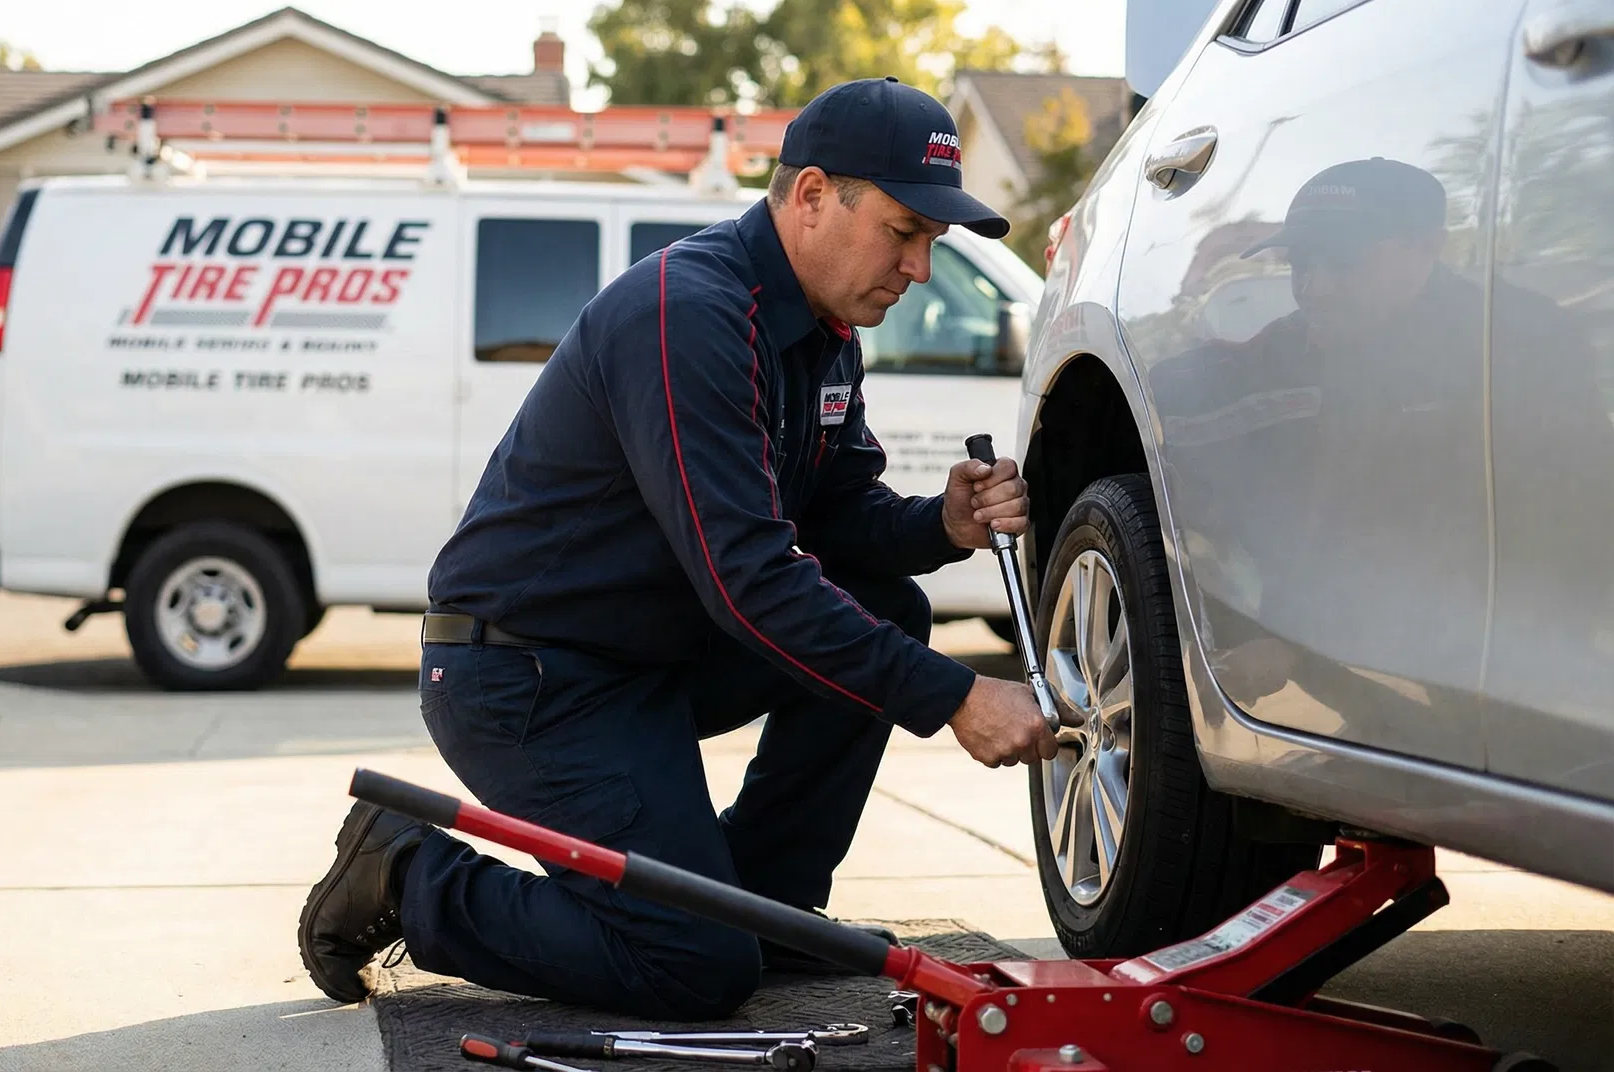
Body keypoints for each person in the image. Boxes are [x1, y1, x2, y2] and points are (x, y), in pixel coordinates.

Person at [297, 76, 1058, 1021]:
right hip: (530, 679)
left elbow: (835, 518)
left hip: (650, 660)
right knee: (690, 967)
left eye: (931, 242)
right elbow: (749, 579)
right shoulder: (689, 312)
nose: (919, 268)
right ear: (812, 195)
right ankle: (406, 872)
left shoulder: (824, 335)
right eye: (904, 232)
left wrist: (938, 524)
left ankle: (768, 906)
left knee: (886, 607)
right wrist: (955, 698)